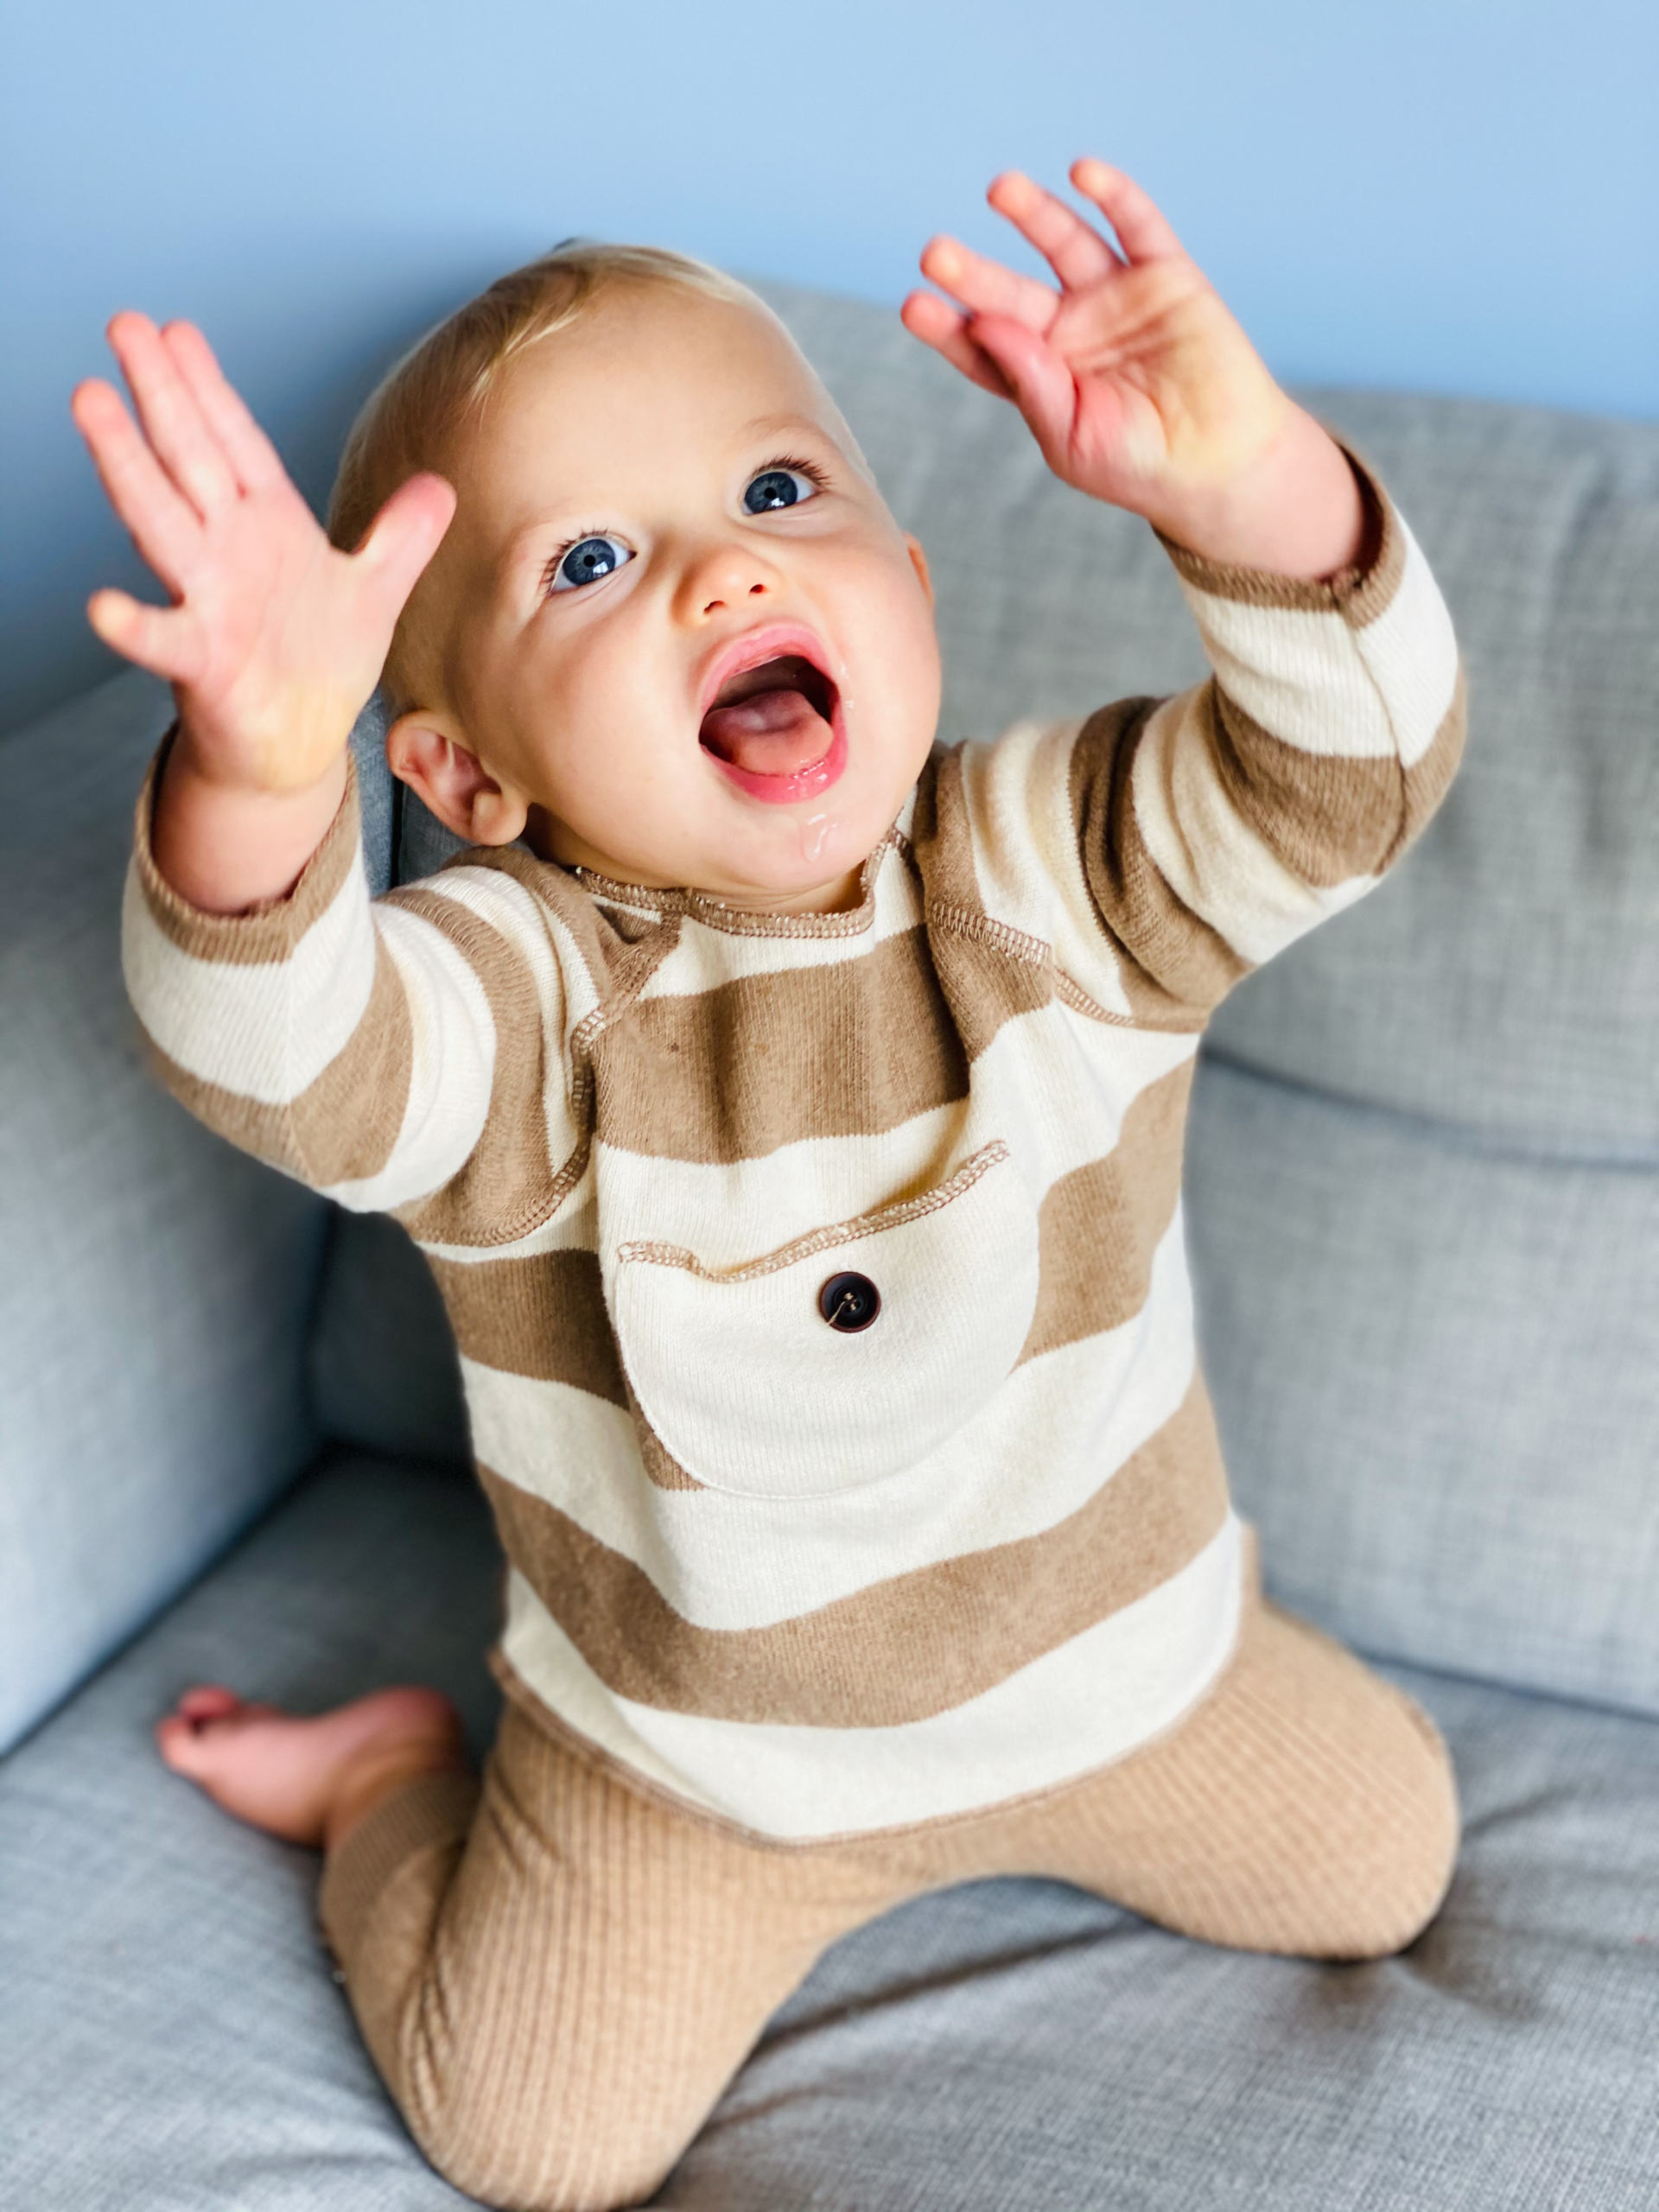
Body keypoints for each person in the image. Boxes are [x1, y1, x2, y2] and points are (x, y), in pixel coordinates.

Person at [77, 159, 1465, 2212]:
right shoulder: (525, 999)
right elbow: (285, 1056)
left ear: (912, 581)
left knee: (1394, 1853)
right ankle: (385, 1776)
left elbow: (1350, 781)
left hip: (1128, 1684)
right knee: (526, 2136)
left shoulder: (1056, 880)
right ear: (462, 779)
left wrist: (1252, 487)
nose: (724, 574)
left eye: (780, 491)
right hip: (689, 1773)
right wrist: (261, 779)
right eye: (591, 559)